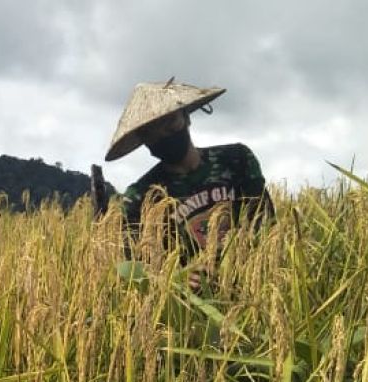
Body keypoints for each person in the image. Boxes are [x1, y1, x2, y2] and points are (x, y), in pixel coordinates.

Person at [106, 80, 275, 289]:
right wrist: (176, 278)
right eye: (153, 131)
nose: (164, 134)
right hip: (192, 306)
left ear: (186, 118)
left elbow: (265, 222)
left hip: (255, 283)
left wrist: (241, 254)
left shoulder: (237, 159)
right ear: (146, 142)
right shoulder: (141, 197)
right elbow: (137, 269)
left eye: (170, 122)